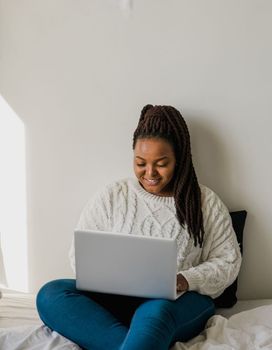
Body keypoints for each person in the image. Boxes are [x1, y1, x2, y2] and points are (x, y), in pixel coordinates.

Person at [37, 105, 242, 350]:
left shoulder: (204, 202)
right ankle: (138, 343)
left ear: (179, 158)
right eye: (140, 163)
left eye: (161, 163)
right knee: (51, 293)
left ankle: (142, 339)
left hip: (173, 303)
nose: (150, 172)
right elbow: (79, 256)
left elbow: (228, 261)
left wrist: (184, 280)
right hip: (116, 299)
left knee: (155, 313)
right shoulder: (113, 195)